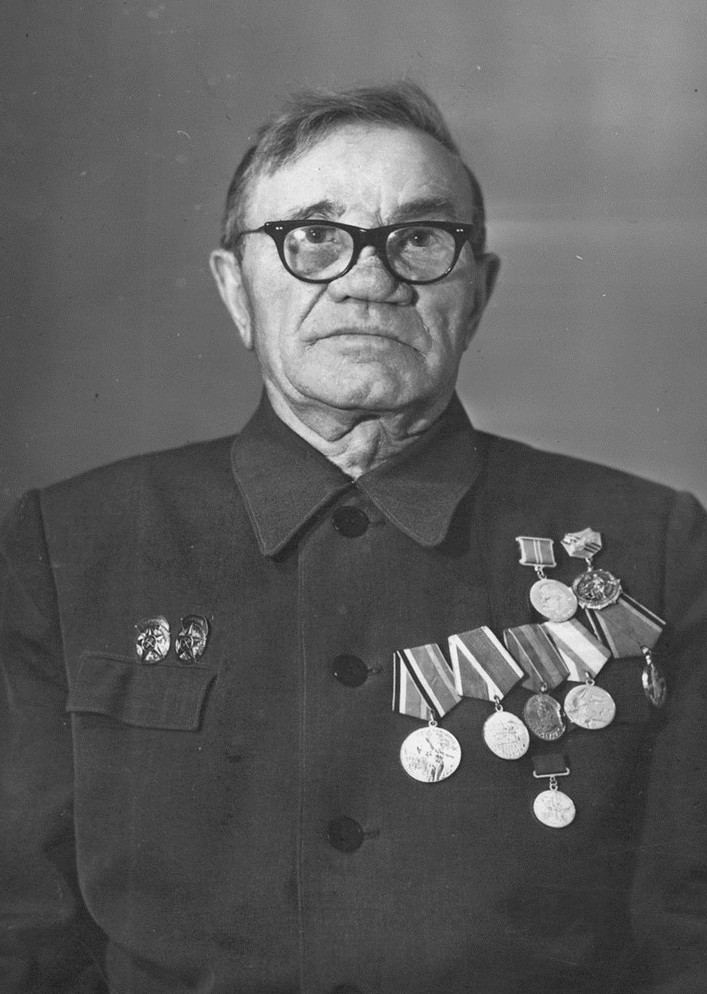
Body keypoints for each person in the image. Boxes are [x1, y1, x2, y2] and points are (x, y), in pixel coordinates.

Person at [1, 81, 706, 994]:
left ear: (477, 291)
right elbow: (22, 936)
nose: (370, 279)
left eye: (421, 238)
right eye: (314, 238)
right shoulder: (71, 543)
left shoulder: (654, 546)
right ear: (235, 288)